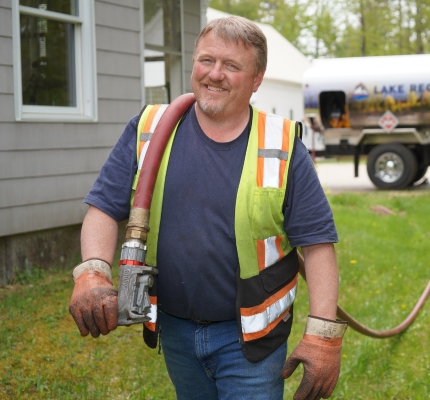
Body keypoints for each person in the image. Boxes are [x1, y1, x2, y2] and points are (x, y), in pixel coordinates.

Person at [68, 15, 347, 400]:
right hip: (176, 331)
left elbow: (317, 244)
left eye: (232, 65)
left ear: (256, 79)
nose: (214, 74)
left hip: (252, 342)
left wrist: (322, 336)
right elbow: (103, 205)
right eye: (206, 61)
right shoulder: (149, 127)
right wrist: (93, 271)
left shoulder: (281, 144)